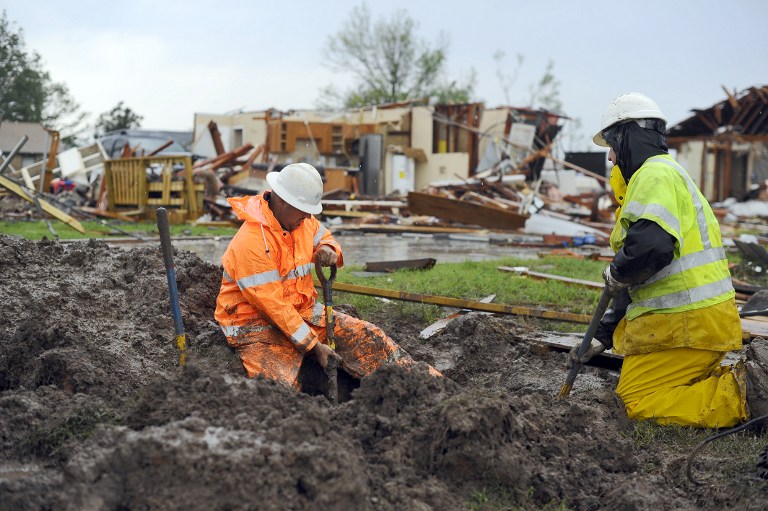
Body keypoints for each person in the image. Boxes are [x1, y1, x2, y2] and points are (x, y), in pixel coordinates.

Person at [567, 92, 768, 428]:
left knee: (634, 402)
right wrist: (603, 334)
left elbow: (650, 250)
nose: (612, 159)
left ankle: (746, 394)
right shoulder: (667, 175)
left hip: (686, 324)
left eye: (612, 147)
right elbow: (646, 272)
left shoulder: (653, 176)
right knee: (671, 388)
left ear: (627, 137)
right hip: (694, 322)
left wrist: (617, 271)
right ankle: (749, 380)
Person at [215, 162, 438, 389]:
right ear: (283, 201)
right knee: (278, 387)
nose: (308, 217)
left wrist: (330, 249)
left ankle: (429, 385)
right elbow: (274, 307)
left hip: (301, 311)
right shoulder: (252, 243)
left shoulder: (301, 221)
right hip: (254, 325)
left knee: (370, 338)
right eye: (304, 211)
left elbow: (323, 236)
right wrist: (313, 346)